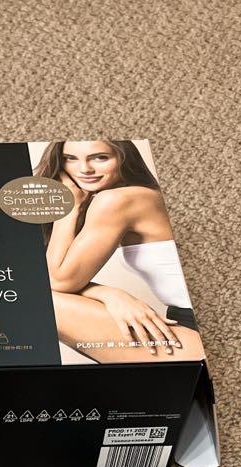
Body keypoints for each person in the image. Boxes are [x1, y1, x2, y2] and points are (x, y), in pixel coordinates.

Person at [35, 139, 205, 363]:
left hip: (197, 332)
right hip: (182, 323)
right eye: (71, 158)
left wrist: (69, 208)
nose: (84, 169)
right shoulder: (136, 195)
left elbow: (58, 281)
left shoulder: (118, 200)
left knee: (40, 302)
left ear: (123, 158)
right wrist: (110, 295)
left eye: (100, 158)